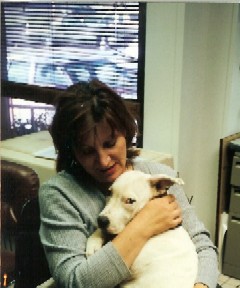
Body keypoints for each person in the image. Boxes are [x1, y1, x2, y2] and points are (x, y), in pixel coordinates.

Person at [39, 79, 219, 288]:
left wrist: (201, 286)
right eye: (88, 151)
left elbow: (203, 244)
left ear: (126, 132)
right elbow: (75, 281)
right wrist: (145, 224)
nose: (104, 160)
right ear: (72, 151)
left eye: (110, 144)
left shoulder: (158, 177)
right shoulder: (59, 195)